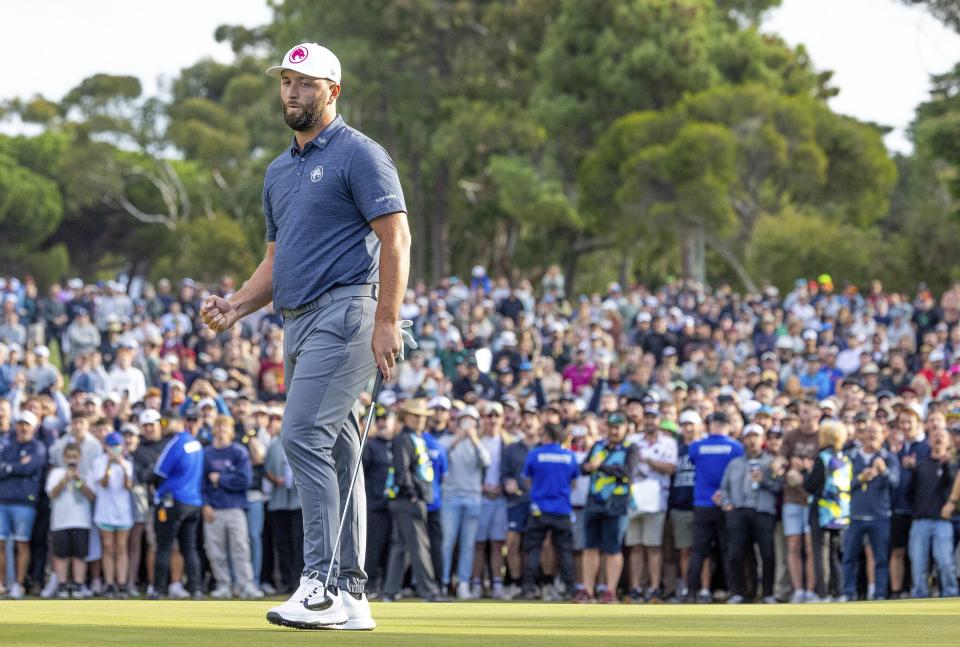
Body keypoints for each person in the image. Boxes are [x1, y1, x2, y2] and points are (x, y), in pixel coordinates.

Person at [202, 41, 411, 631]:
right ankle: (349, 596)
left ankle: (317, 584)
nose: (293, 92)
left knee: (301, 437)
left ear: (332, 91)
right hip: (296, 320)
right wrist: (237, 304)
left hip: (347, 313)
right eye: (286, 82)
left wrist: (386, 319)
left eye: (306, 83)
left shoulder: (360, 154)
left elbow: (395, 238)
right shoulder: (277, 170)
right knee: (339, 453)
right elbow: (278, 256)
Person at [382, 399, 445, 602]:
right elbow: (402, 470)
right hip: (408, 500)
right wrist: (413, 494)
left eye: (422, 417)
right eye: (416, 416)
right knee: (419, 546)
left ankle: (390, 592)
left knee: (401, 546)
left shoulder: (414, 438)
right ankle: (429, 591)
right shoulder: (405, 439)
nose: (420, 420)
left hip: (407, 499)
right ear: (406, 417)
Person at [575, 411, 638, 604]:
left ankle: (610, 590)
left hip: (616, 503)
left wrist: (599, 467)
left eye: (618, 427)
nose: (614, 430)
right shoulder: (598, 445)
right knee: (590, 546)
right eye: (611, 426)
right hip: (594, 501)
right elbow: (584, 467)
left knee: (612, 548)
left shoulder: (630, 448)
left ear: (626, 428)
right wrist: (587, 467)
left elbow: (627, 473)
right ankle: (587, 589)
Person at [718, 423, 781, 603]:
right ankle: (739, 592)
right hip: (739, 511)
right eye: (749, 436)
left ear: (762, 440)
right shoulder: (735, 463)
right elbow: (724, 488)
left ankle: (768, 593)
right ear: (744, 440)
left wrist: (764, 481)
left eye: (756, 436)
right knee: (735, 553)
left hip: (763, 512)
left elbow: (778, 488)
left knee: (767, 554)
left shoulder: (771, 462)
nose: (753, 440)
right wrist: (727, 504)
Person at [686, 411, 743, 603]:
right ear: (727, 425)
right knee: (728, 550)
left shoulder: (696, 447)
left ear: (711, 425)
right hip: (725, 503)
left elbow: (695, 461)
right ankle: (733, 592)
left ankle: (691, 592)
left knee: (698, 551)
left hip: (702, 503)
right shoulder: (735, 448)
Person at [202, 415, 260, 599]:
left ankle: (246, 586)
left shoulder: (239, 452)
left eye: (225, 427)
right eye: (218, 427)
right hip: (214, 509)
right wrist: (205, 505)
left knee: (241, 549)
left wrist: (221, 479)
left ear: (232, 431)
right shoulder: (207, 453)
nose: (221, 431)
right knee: (215, 551)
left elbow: (245, 480)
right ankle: (223, 585)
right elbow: (201, 483)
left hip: (235, 507)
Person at [625, 404, 677, 603]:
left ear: (659, 420)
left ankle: (654, 588)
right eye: (647, 417)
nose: (649, 421)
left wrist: (647, 460)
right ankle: (636, 587)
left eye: (653, 418)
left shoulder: (669, 442)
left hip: (657, 499)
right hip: (635, 498)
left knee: (654, 546)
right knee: (636, 545)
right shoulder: (632, 441)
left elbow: (671, 468)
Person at [842, 420, 899, 601]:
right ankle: (848, 593)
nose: (872, 436)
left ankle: (879, 594)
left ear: (883, 436)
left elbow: (895, 484)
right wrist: (861, 478)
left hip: (880, 517)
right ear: (862, 435)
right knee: (849, 558)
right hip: (855, 515)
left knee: (881, 559)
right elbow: (842, 485)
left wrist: (884, 471)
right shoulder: (851, 456)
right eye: (869, 432)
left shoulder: (888, 458)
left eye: (876, 433)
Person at [521, 423, 578, 600]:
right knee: (565, 550)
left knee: (533, 549)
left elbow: (527, 479)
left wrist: (538, 492)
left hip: (539, 508)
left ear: (546, 435)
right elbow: (574, 483)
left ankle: (529, 588)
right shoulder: (569, 456)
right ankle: (569, 588)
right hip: (562, 508)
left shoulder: (535, 454)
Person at [439, 406, 491, 599]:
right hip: (450, 497)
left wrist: (474, 439)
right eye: (464, 420)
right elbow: (440, 455)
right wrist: (459, 437)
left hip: (473, 498)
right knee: (447, 544)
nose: (468, 424)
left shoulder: (479, 443)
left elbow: (486, 461)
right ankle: (443, 583)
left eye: (471, 421)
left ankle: (463, 583)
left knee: (468, 545)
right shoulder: (447, 440)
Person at [152, 417, 204, 600]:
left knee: (164, 547)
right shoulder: (197, 444)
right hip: (193, 502)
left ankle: (158, 589)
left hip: (173, 501)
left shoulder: (177, 442)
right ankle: (196, 589)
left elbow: (158, 473)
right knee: (189, 548)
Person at [777, 399, 821, 603]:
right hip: (791, 497)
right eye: (801, 412)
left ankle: (811, 590)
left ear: (817, 415)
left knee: (810, 546)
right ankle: (798, 589)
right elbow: (779, 459)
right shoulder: (791, 436)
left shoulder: (822, 437)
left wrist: (807, 468)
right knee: (793, 544)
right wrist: (783, 466)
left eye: (807, 412)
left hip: (812, 499)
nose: (803, 416)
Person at [907, 429, 958, 598]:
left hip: (942, 521)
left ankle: (950, 594)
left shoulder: (953, 467)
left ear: (948, 443)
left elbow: (951, 488)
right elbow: (910, 493)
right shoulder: (920, 466)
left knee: (945, 562)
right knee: (918, 563)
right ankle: (919, 595)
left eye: (942, 437)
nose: (938, 439)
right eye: (934, 436)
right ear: (929, 442)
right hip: (920, 520)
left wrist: (945, 465)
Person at [0, 410, 46, 599]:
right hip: (3, 501)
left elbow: (30, 467)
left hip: (24, 503)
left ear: (34, 427)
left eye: (27, 424)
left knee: (22, 543)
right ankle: (1, 584)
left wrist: (10, 467)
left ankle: (19, 584)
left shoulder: (38, 447)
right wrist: (16, 466)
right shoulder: (8, 447)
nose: (23, 427)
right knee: (0, 543)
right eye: (20, 423)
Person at [45, 442, 95, 598]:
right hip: (60, 522)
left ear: (80, 457)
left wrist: (79, 480)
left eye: (75, 456)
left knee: (79, 555)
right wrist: (65, 479)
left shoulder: (86, 473)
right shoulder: (56, 473)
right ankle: (62, 585)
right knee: (61, 555)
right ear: (64, 457)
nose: (72, 459)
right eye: (69, 456)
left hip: (81, 521)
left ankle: (79, 585)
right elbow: (52, 493)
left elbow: (92, 496)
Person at [501, 406, 540, 599]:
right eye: (525, 417)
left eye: (532, 417)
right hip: (517, 502)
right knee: (512, 543)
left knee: (537, 545)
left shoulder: (545, 448)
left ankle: (535, 583)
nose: (529, 421)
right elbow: (505, 474)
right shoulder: (512, 449)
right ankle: (516, 582)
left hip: (541, 505)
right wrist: (507, 482)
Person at [472, 401, 510, 599]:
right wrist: (481, 487)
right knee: (478, 544)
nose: (493, 419)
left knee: (497, 543)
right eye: (489, 416)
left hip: (501, 498)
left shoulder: (508, 443)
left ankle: (497, 583)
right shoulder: (476, 440)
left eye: (497, 416)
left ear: (502, 419)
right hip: (480, 497)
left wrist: (504, 486)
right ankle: (477, 583)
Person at [91, 431, 134, 598]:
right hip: (105, 510)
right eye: (111, 446)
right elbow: (103, 483)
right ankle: (109, 583)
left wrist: (122, 467)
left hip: (123, 511)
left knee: (121, 547)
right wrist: (109, 465)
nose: (114, 449)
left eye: (117, 446)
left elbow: (128, 485)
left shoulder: (127, 463)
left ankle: (122, 583)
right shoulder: (99, 462)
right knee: (108, 547)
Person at [362, 405, 397, 597]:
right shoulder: (371, 445)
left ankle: (389, 586)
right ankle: (371, 584)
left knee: (393, 547)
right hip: (375, 505)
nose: (382, 423)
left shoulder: (399, 442)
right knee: (374, 547)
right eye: (379, 419)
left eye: (386, 419)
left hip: (394, 505)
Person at [669, 409, 703, 601]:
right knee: (683, 550)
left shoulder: (704, 447)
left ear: (699, 426)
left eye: (691, 424)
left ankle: (703, 589)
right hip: (680, 504)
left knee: (702, 551)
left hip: (700, 505)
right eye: (684, 425)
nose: (688, 428)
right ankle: (687, 587)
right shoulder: (676, 448)